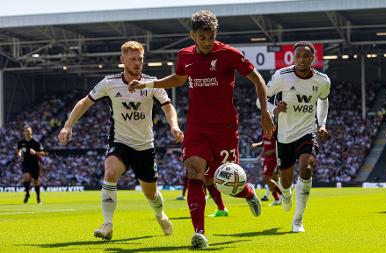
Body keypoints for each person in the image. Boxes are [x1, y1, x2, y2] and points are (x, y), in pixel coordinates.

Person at [128, 10, 275, 248]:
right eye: (202, 37)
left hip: (225, 129)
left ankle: (247, 193)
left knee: (223, 183)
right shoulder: (184, 55)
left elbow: (257, 78)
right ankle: (199, 233)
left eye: (211, 36)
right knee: (194, 172)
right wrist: (147, 84)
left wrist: (265, 113)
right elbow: (178, 79)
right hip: (197, 128)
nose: (207, 42)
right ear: (193, 35)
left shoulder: (228, 54)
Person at [58, 41, 183, 240]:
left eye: (140, 59)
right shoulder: (109, 83)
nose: (137, 63)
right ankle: (107, 224)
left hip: (145, 146)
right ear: (122, 60)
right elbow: (85, 102)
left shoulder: (152, 83)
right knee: (110, 172)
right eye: (132, 59)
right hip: (120, 141)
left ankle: (160, 214)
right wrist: (67, 125)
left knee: (150, 193)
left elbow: (168, 107)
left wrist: (174, 125)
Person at [262, 41, 330, 233]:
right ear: (293, 57)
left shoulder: (322, 80)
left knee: (307, 168)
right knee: (285, 182)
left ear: (313, 58)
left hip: (308, 131)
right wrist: (274, 109)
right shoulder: (282, 76)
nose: (301, 60)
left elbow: (323, 102)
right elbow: (262, 99)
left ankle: (298, 220)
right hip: (284, 136)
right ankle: (285, 194)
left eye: (306, 56)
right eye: (298, 56)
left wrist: (322, 123)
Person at [17, 126, 47, 204]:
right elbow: (18, 150)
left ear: (31, 132)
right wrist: (19, 154)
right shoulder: (21, 142)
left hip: (35, 163)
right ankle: (27, 193)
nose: (27, 132)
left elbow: (43, 153)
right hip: (26, 163)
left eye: (28, 131)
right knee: (25, 177)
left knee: (36, 182)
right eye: (26, 131)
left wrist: (35, 152)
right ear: (24, 132)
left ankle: (38, 197)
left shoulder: (36, 142)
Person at [251, 131, 282, 206]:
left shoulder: (275, 131)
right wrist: (257, 145)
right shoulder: (265, 131)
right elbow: (265, 144)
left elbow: (281, 144)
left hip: (274, 159)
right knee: (271, 179)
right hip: (267, 159)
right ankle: (277, 199)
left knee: (266, 178)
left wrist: (272, 151)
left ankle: (283, 196)